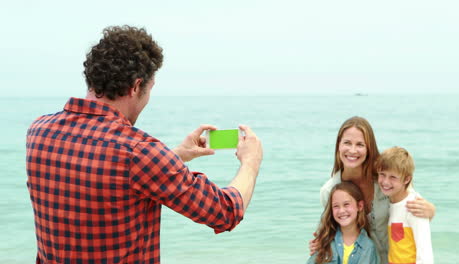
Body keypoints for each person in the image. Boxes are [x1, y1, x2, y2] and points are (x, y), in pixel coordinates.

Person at [26, 25, 263, 264]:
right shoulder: (139, 153)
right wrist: (250, 162)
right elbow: (225, 212)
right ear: (136, 86)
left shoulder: (38, 131)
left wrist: (176, 155)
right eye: (149, 89)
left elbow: (102, 170)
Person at [309, 116, 435, 263]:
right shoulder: (329, 191)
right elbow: (334, 229)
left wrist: (431, 210)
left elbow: (411, 207)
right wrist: (321, 243)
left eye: (360, 144)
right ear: (338, 145)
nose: (353, 150)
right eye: (347, 143)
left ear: (369, 148)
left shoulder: (386, 179)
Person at [376, 147, 433, 264]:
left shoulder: (415, 207)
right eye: (382, 174)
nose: (385, 182)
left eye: (393, 177)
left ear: (407, 179)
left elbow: (425, 255)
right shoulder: (390, 201)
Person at [306, 182, 380, 264]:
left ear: (359, 206)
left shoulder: (367, 247)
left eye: (346, 204)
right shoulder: (325, 242)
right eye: (336, 206)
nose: (341, 211)